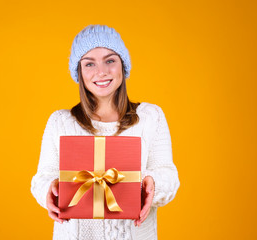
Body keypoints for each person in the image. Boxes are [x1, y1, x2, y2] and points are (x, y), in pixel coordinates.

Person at [30, 24, 180, 240]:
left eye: (110, 60)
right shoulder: (60, 122)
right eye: (89, 63)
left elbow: (169, 176)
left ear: (123, 66)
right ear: (79, 72)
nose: (101, 71)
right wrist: (49, 189)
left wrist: (152, 183)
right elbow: (42, 178)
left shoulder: (150, 117)